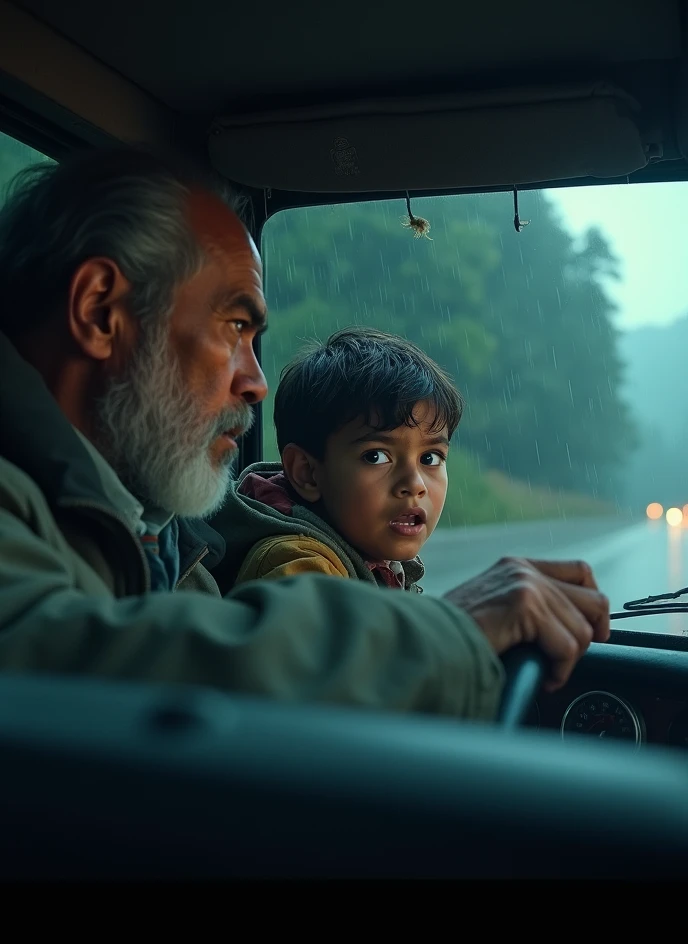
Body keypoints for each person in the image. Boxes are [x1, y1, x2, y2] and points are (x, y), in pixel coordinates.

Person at [0, 145, 609, 722]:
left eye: (433, 457)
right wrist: (451, 631)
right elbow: (68, 676)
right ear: (101, 311)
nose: (255, 381)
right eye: (234, 327)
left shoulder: (161, 532)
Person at [227, 328, 460, 592]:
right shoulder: (299, 565)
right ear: (307, 473)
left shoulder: (371, 555)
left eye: (430, 457)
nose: (415, 484)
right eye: (376, 456)